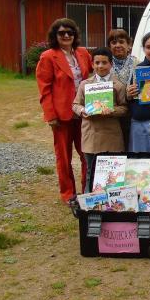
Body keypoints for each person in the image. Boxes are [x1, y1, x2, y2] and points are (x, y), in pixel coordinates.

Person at [36, 18, 93, 204]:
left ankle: (87, 189)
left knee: (87, 154)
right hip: (62, 115)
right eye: (62, 33)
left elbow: (96, 74)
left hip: (84, 113)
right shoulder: (47, 57)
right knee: (64, 157)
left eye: (70, 32)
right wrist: (50, 115)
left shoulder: (83, 53)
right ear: (55, 35)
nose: (66, 35)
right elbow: (44, 89)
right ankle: (68, 194)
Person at [72, 47, 128, 193]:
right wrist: (83, 110)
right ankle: (89, 201)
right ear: (92, 64)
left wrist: (113, 110)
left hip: (111, 136)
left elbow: (125, 108)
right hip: (91, 134)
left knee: (112, 173)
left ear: (111, 64)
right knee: (91, 171)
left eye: (104, 62)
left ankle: (113, 200)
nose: (100, 66)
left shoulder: (118, 86)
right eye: (97, 63)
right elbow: (75, 104)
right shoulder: (85, 84)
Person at [107, 29, 138, 149]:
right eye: (114, 43)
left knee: (131, 147)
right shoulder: (105, 64)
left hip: (133, 114)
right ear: (109, 46)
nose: (118, 45)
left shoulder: (138, 64)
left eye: (121, 42)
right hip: (112, 114)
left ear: (129, 45)